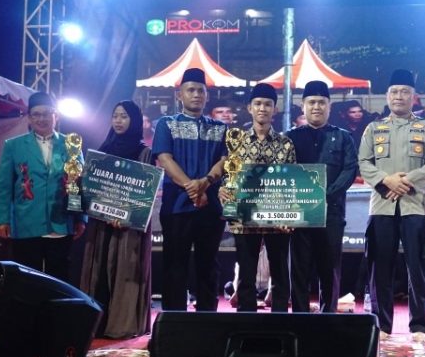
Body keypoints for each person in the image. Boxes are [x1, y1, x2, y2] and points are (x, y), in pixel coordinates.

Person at [358, 69, 425, 342]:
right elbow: (364, 163)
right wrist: (386, 180)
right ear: (387, 95)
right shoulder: (373, 128)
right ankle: (382, 324)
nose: (399, 96)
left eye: (405, 92)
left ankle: (419, 326)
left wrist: (408, 180)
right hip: (381, 206)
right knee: (380, 267)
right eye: (394, 91)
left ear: (413, 96)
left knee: (418, 267)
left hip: (415, 205)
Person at [153, 68, 227, 312]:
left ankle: (208, 319)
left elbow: (225, 160)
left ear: (207, 95)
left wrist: (205, 182)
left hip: (210, 206)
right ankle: (174, 321)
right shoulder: (166, 124)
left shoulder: (220, 127)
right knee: (175, 265)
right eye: (191, 90)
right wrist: (193, 188)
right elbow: (165, 159)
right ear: (180, 95)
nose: (196, 94)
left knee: (209, 265)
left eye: (200, 91)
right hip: (176, 207)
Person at [0, 92, 86, 284]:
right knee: (27, 278)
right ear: (29, 118)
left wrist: (80, 218)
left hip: (61, 222)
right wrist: (1, 219)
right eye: (36, 114)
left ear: (56, 116)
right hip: (26, 221)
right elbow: (3, 186)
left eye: (46, 113)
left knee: (59, 278)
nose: (41, 119)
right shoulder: (13, 146)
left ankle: (56, 305)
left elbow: (78, 185)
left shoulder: (71, 145)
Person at [219, 83, 296, 313]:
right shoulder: (235, 141)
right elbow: (228, 176)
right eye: (258, 104)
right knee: (246, 273)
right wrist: (222, 190)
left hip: (277, 218)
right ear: (249, 108)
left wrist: (289, 215)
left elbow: (291, 182)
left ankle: (280, 319)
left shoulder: (286, 144)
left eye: (268, 104)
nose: (263, 108)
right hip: (244, 218)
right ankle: (247, 319)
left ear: (275, 109)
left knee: (280, 272)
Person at [80, 100, 152, 338]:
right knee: (99, 269)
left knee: (123, 270)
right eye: (115, 116)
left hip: (128, 227)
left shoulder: (144, 152)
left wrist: (124, 215)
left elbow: (144, 193)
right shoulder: (103, 150)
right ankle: (97, 323)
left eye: (124, 116)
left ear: (135, 120)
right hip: (101, 224)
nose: (118, 121)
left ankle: (121, 323)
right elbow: (93, 187)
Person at [286, 81, 358, 313]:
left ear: (329, 106)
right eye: (311, 102)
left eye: (321, 102)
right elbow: (283, 173)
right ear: (303, 106)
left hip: (332, 213)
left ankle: (329, 318)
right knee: (299, 271)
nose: (316, 107)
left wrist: (323, 197)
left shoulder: (344, 138)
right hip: (299, 216)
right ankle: (299, 318)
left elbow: (349, 170)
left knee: (330, 271)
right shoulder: (289, 138)